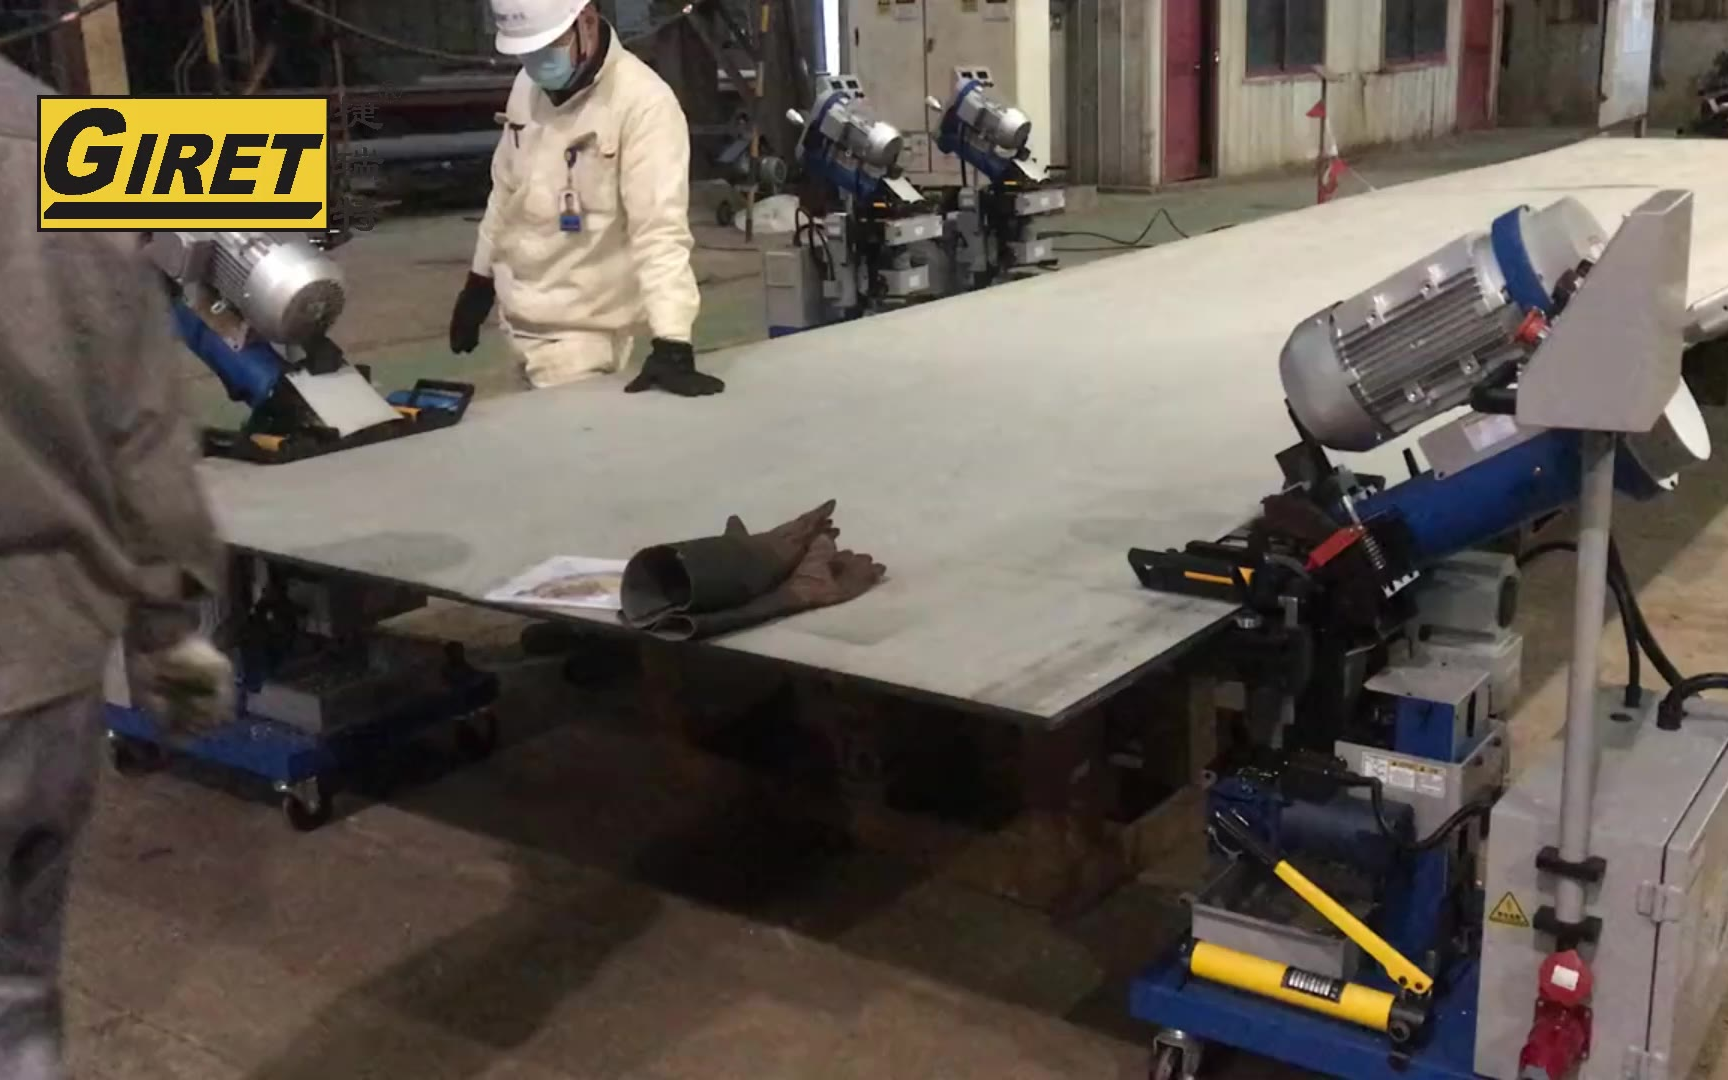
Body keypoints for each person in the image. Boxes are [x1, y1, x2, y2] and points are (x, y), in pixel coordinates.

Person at [0, 58, 234, 1078]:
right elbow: (144, 423)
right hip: (42, 667)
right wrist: (169, 631)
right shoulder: (68, 147)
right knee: (17, 989)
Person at [451, 0, 723, 397]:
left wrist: (672, 339)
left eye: (547, 48)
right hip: (517, 322)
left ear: (588, 21)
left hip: (583, 341)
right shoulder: (528, 86)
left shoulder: (642, 104)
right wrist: (480, 281)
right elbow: (506, 192)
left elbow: (660, 232)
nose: (537, 62)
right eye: (527, 52)